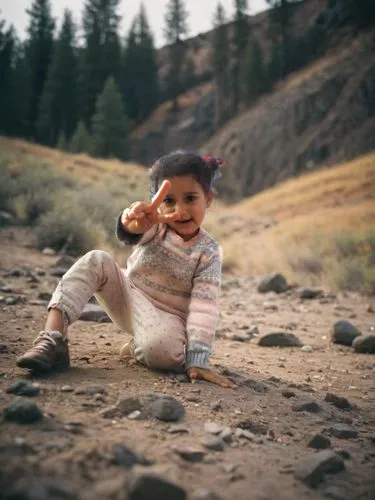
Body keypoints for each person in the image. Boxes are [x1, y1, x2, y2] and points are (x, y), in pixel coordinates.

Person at [16, 150, 236, 389]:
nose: (179, 209)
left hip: (168, 320)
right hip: (126, 295)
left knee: (166, 355)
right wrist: (131, 221)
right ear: (157, 203)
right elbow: (135, 230)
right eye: (169, 201)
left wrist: (198, 360)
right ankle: (52, 339)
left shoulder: (209, 252)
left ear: (208, 199)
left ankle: (138, 346)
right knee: (96, 259)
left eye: (190, 198)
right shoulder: (155, 228)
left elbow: (205, 307)